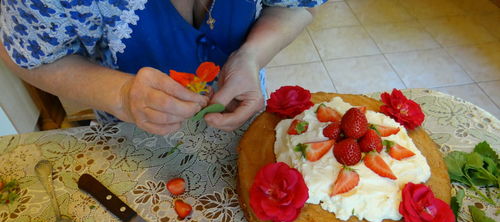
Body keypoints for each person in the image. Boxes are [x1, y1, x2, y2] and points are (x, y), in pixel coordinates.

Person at [0, 0, 325, 135]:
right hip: (133, 138)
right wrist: (122, 94)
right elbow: (26, 54)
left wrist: (250, 57)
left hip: (242, 114)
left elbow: (296, 6)